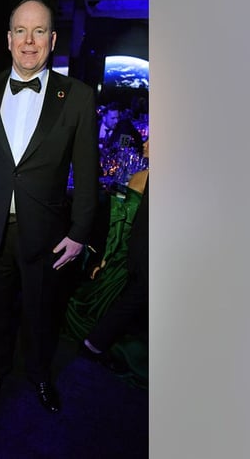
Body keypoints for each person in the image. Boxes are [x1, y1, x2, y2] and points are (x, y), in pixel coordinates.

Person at [0, 0, 100, 414]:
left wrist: (80, 233)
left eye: (39, 31)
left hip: (47, 234)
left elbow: (88, 172)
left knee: (41, 314)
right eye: (21, 32)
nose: (29, 41)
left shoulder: (77, 96)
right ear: (8, 40)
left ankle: (41, 376)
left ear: (52, 38)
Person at [73, 138, 149, 387]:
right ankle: (94, 343)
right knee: (135, 298)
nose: (145, 143)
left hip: (141, 253)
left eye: (152, 140)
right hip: (141, 254)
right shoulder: (145, 177)